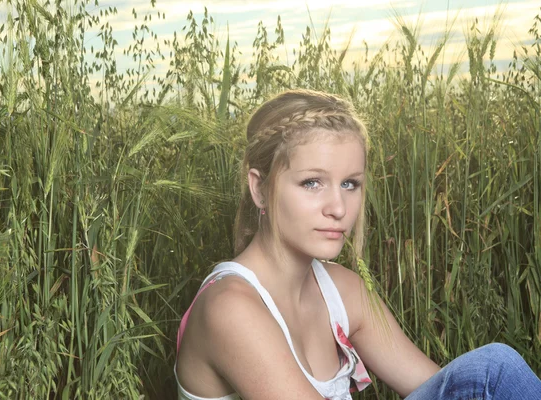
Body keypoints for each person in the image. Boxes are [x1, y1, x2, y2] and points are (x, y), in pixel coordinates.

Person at [174, 89, 541, 400]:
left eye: (350, 184)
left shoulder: (342, 290)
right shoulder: (229, 308)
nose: (338, 208)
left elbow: (450, 389)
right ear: (258, 188)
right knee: (495, 367)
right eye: (312, 183)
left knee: (491, 373)